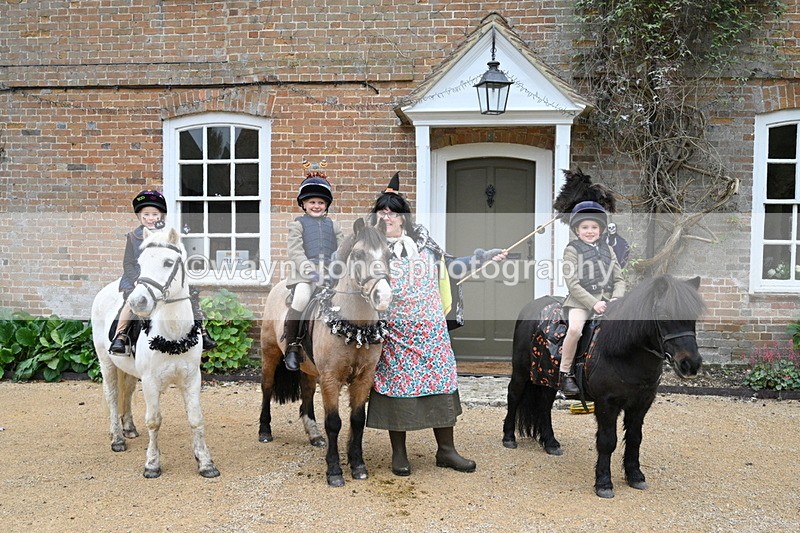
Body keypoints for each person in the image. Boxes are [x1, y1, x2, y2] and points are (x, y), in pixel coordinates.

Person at [365, 173, 506, 477]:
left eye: (393, 211)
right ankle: (399, 454)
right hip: (396, 334)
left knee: (441, 384)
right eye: (382, 211)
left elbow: (453, 264)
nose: (387, 216)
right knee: (397, 390)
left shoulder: (425, 245)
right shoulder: (370, 249)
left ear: (404, 217)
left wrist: (483, 258)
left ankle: (447, 451)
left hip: (431, 333)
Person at [110, 190, 217, 354]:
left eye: (154, 214)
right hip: (139, 279)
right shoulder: (133, 237)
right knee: (129, 304)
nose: (150, 218)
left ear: (161, 216)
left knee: (192, 299)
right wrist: (136, 279)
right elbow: (128, 262)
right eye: (145, 215)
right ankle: (121, 336)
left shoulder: (167, 235)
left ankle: (202, 332)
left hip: (161, 279)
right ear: (139, 216)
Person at [559, 201, 625, 395]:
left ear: (601, 229)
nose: (590, 231)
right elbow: (572, 283)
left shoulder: (609, 250)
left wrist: (616, 299)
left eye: (594, 227)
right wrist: (593, 303)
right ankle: (565, 374)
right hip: (581, 301)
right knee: (575, 330)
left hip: (608, 300)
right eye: (585, 227)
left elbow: (619, 279)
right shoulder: (571, 250)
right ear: (577, 230)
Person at [283, 161, 344, 371]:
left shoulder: (334, 225)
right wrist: (312, 272)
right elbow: (296, 252)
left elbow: (343, 249)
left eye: (320, 202)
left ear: (326, 204)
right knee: (301, 298)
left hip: (331, 274)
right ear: (303, 204)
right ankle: (292, 346)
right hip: (305, 276)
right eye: (311, 202)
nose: (316, 206)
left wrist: (338, 268)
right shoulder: (297, 224)